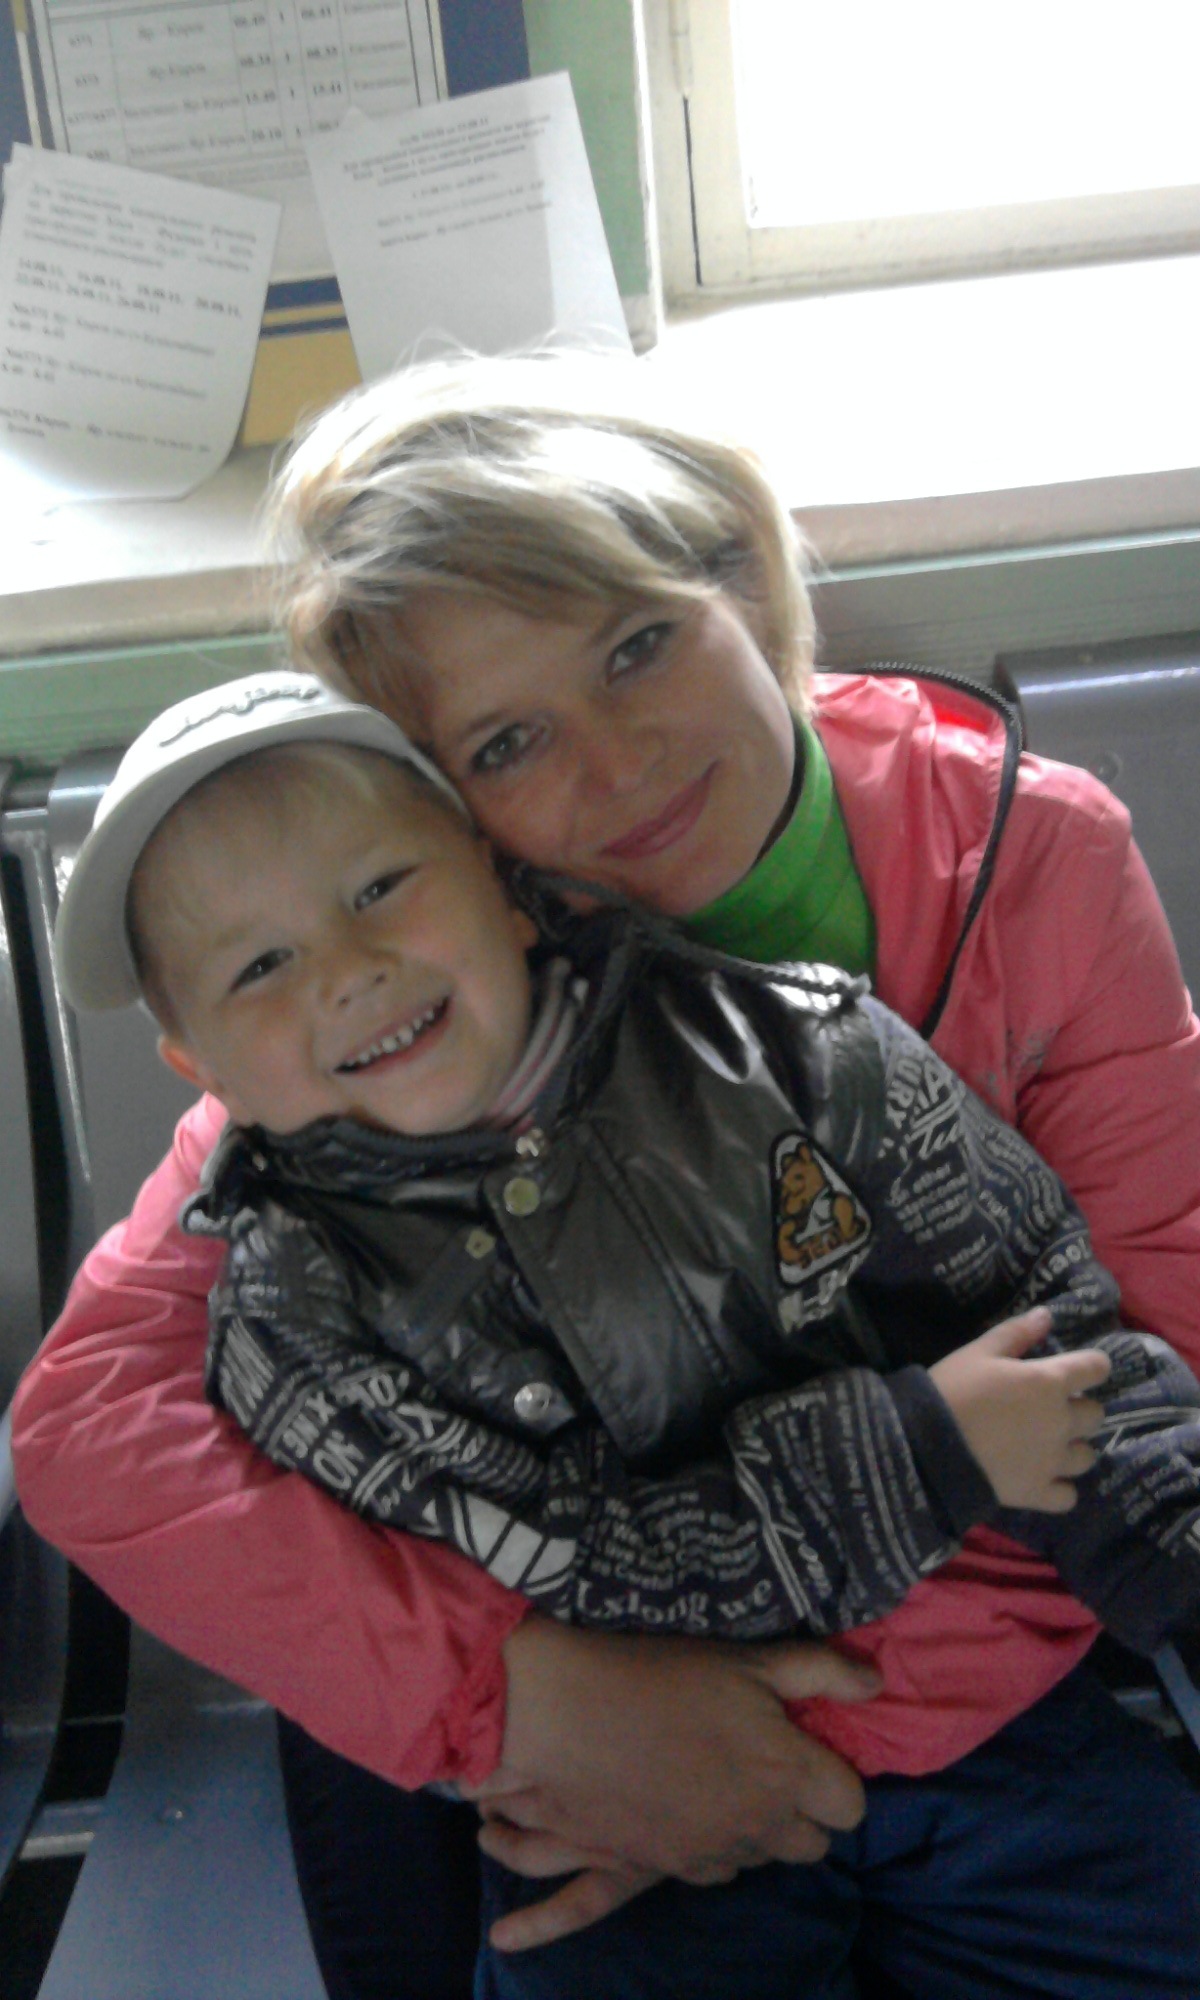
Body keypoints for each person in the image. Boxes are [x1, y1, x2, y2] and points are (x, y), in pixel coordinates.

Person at [14, 353, 1200, 2000]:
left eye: (638, 644)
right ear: (455, 820)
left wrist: (767, 1749)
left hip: (959, 1664)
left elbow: (1143, 1340)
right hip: (576, 1663)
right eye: (509, 739)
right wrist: (544, 1713)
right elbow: (90, 1433)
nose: (617, 760)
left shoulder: (1036, 860)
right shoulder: (407, 1014)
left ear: (745, 582)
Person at [57, 666, 1195, 1670]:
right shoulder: (293, 1315)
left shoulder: (790, 1043)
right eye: (260, 965)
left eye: (378, 889)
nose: (349, 969)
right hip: (641, 1762)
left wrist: (1165, 1540)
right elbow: (559, 1559)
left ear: (505, 892)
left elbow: (1045, 1303)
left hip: (974, 1662)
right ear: (204, 1072)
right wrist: (915, 1455)